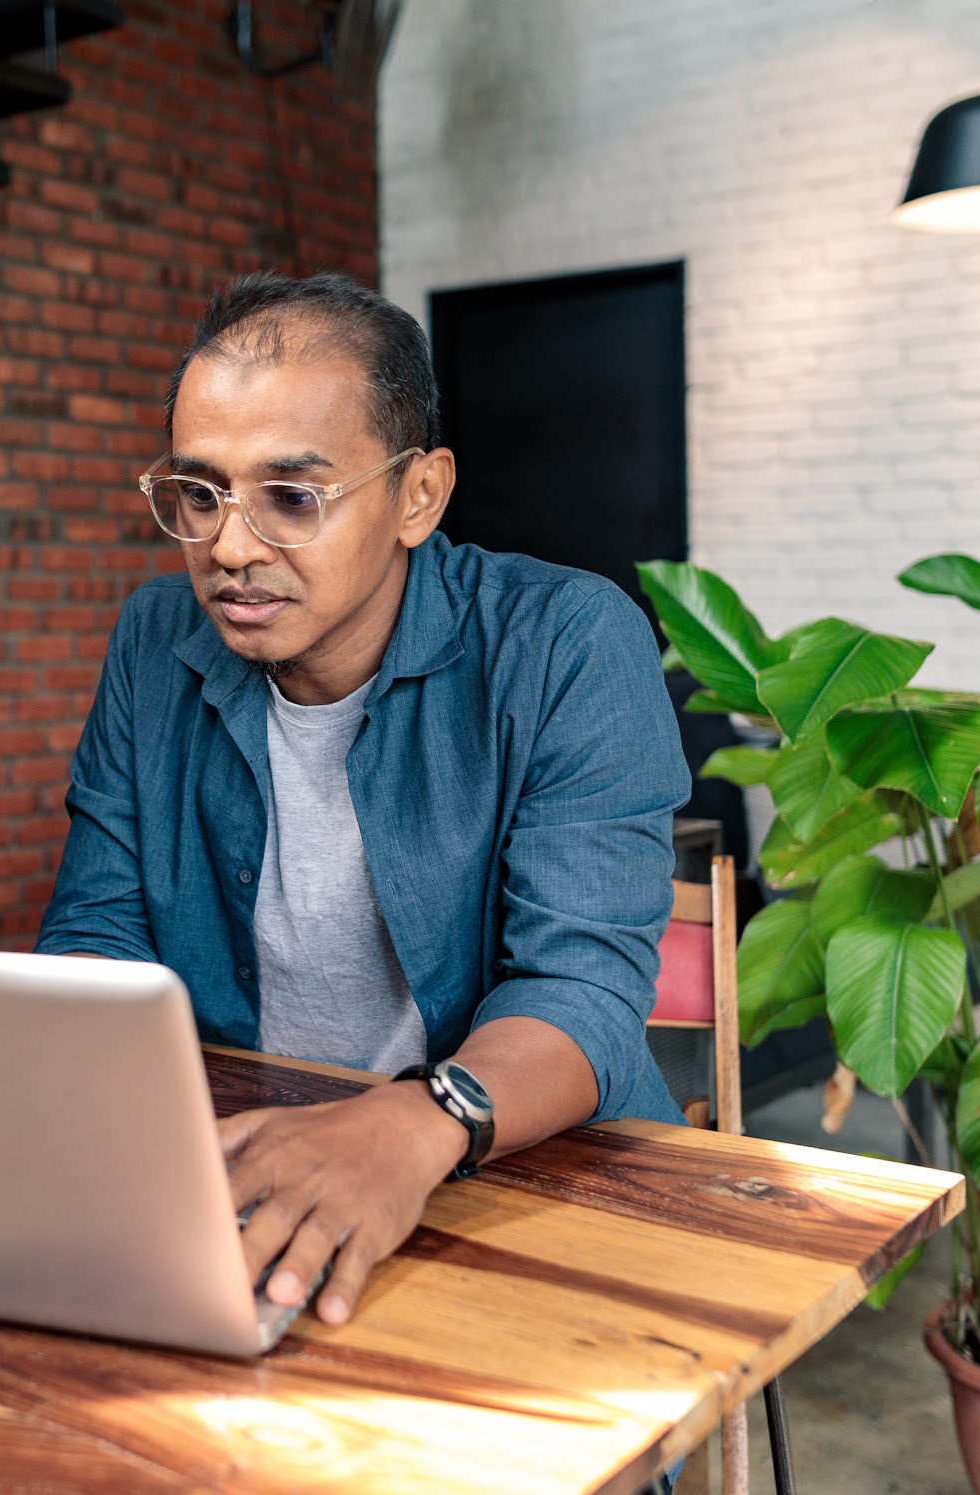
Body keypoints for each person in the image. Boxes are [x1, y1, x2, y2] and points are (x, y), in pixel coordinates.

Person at [35, 271, 692, 1330]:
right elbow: (96, 924)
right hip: (241, 1166)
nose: (231, 547)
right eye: (200, 494)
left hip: (520, 1177)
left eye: (292, 496)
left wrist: (415, 1122)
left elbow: (580, 990)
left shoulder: (565, 641)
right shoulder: (156, 641)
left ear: (418, 496)